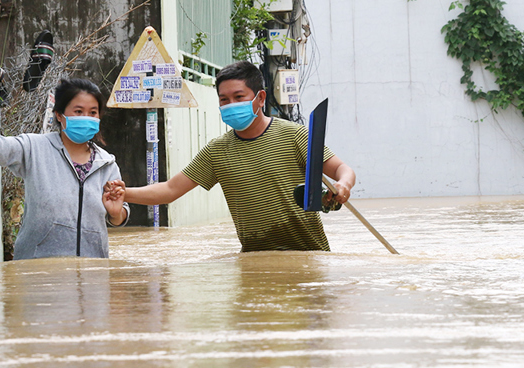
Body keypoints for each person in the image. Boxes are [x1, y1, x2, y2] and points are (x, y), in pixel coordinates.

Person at [106, 61, 356, 252]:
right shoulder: (217, 152)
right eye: (224, 100)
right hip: (254, 263)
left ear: (260, 98)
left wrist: (343, 185)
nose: (230, 104)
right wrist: (123, 193)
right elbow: (171, 189)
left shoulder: (294, 135)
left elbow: (343, 169)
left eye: (239, 97)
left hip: (310, 255)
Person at [0, 78, 129, 260]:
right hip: (38, 267)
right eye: (78, 111)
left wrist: (116, 214)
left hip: (92, 271)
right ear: (59, 115)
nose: (86, 118)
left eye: (92, 113)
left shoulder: (107, 163)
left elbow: (119, 216)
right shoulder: (35, 148)